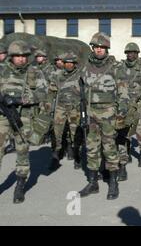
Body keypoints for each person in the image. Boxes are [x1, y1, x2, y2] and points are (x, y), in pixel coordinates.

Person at [78, 32, 128, 200]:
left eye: (102, 47)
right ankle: (93, 183)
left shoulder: (115, 67)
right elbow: (80, 92)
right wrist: (81, 113)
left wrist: (121, 115)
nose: (99, 50)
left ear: (107, 49)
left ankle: (113, 183)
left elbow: (123, 93)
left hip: (109, 114)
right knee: (91, 148)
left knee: (109, 148)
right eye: (96, 47)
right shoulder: (84, 66)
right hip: (90, 113)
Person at [0, 40, 47, 203]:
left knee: (22, 151)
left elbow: (42, 93)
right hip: (2, 117)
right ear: (11, 56)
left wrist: (20, 99)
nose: (21, 59)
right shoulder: (2, 71)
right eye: (17, 56)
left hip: (24, 117)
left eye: (24, 56)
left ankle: (20, 185)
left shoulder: (35, 72)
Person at [116, 42, 141, 180]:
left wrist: (138, 94)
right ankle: (124, 156)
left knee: (140, 130)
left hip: (137, 104)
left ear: (138, 54)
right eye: (128, 52)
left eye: (133, 52)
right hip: (122, 104)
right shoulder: (120, 66)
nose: (130, 55)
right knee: (123, 130)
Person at [48, 52, 82, 170]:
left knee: (75, 133)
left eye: (71, 63)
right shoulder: (58, 76)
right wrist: (47, 108)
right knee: (57, 133)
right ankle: (55, 156)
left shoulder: (80, 75)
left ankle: (77, 156)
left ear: (75, 64)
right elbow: (51, 92)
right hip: (60, 108)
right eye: (66, 63)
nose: (68, 65)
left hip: (75, 109)